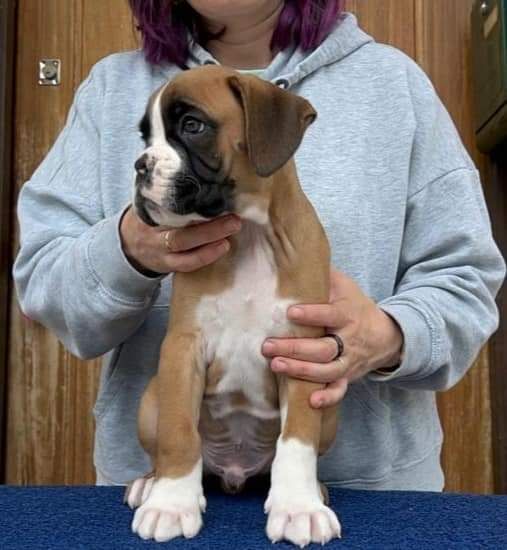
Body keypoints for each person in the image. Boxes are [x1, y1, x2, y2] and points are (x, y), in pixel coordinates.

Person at [13, 0, 505, 491]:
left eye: (192, 128)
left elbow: (467, 278)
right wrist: (126, 251)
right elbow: (40, 280)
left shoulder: (393, 83)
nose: (148, 158)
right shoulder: (110, 88)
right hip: (162, 492)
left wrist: (391, 334)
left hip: (365, 494)